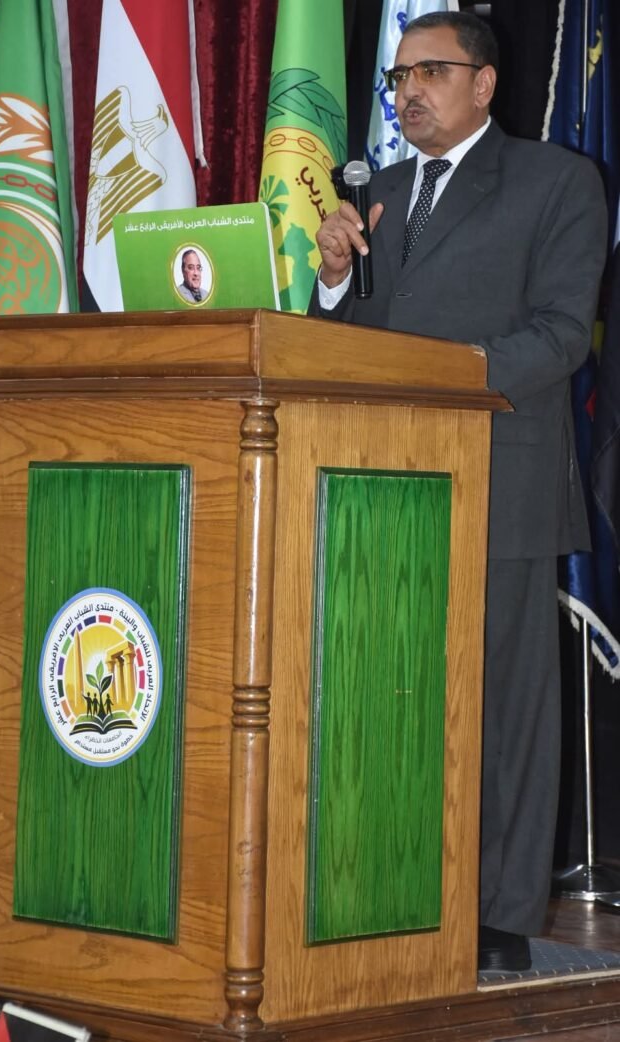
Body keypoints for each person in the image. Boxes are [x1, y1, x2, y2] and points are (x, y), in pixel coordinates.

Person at [310, 11, 607, 973]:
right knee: (389, 692)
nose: (407, 92)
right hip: (379, 482)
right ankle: (388, 893)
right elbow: (345, 339)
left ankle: (499, 916)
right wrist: (333, 277)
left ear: (483, 83)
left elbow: (562, 333)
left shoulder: (557, 181)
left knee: (502, 709)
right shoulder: (380, 194)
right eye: (398, 77)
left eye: (430, 72)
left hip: (499, 476)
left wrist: (442, 377)